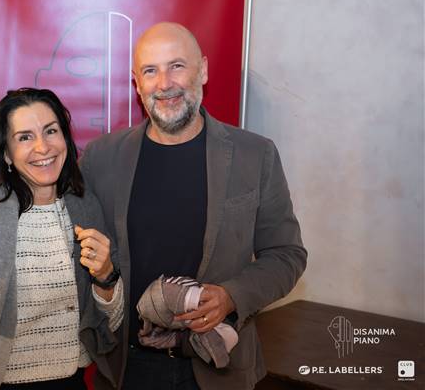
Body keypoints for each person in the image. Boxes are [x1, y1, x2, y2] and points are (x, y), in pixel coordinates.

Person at [80, 22, 308, 390]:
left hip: (219, 370)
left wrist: (231, 296)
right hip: (125, 369)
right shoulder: (100, 158)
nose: (164, 83)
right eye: (150, 71)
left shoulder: (255, 155)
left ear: (202, 70)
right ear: (136, 83)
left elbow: (287, 255)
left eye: (176, 66)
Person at [0, 88, 124, 390]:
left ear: (65, 138)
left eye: (51, 131)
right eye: (25, 137)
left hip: (73, 382)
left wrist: (106, 277)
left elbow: (111, 322)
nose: (43, 147)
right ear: (6, 153)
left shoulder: (86, 209)